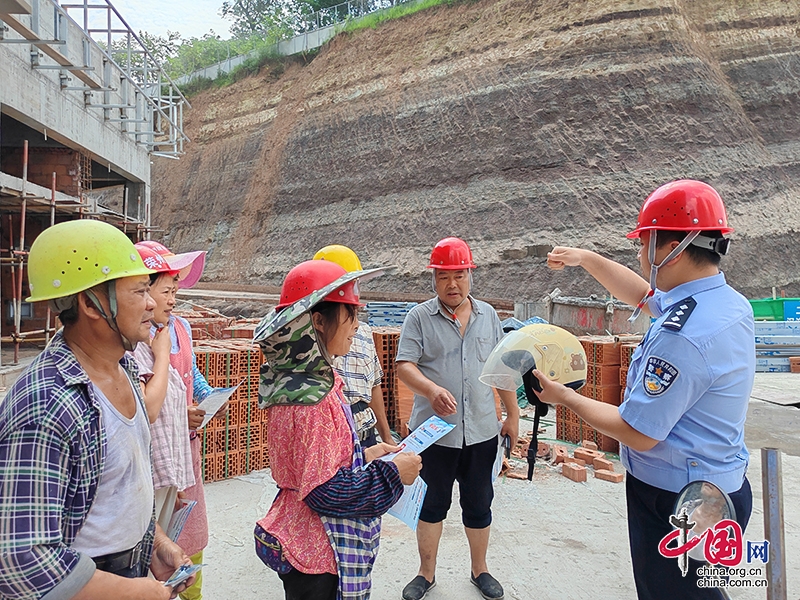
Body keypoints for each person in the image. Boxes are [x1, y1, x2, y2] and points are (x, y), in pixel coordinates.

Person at [538, 179, 754, 600]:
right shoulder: (724, 303)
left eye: (644, 243)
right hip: (718, 485)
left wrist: (563, 395)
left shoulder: (683, 334)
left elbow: (638, 431)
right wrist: (586, 259)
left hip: (679, 499)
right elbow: (641, 294)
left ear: (671, 247)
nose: (640, 255)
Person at [0, 220, 194, 599]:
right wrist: (136, 592)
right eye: (140, 291)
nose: (153, 302)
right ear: (91, 303)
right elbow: (22, 560)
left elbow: (114, 491)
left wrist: (153, 544)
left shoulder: (124, 367)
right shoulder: (47, 405)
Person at [252, 259, 422, 600]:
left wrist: (367, 454)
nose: (357, 327)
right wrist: (391, 475)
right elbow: (323, 491)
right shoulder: (313, 399)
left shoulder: (300, 382)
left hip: (300, 538)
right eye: (351, 316)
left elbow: (314, 463)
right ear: (318, 320)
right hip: (318, 551)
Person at [396, 237, 519, 600]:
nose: (453, 284)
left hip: (481, 431)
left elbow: (502, 369)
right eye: (444, 277)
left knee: (479, 504)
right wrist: (431, 390)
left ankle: (480, 570)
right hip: (435, 434)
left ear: (470, 276)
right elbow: (404, 365)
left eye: (460, 275)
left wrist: (512, 414)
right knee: (432, 505)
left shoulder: (489, 317)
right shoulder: (419, 317)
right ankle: (425, 574)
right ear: (433, 279)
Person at [132, 240, 218, 600]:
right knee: (150, 541)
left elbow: (192, 375)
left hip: (184, 450)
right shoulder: (137, 341)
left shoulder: (179, 328)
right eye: (166, 290)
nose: (170, 299)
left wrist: (209, 396)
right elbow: (147, 407)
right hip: (156, 459)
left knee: (186, 532)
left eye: (174, 290)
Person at [313, 244, 393, 446]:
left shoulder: (364, 332)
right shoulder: (309, 344)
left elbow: (374, 386)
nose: (354, 291)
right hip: (333, 437)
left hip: (365, 432)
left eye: (355, 283)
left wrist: (386, 436)